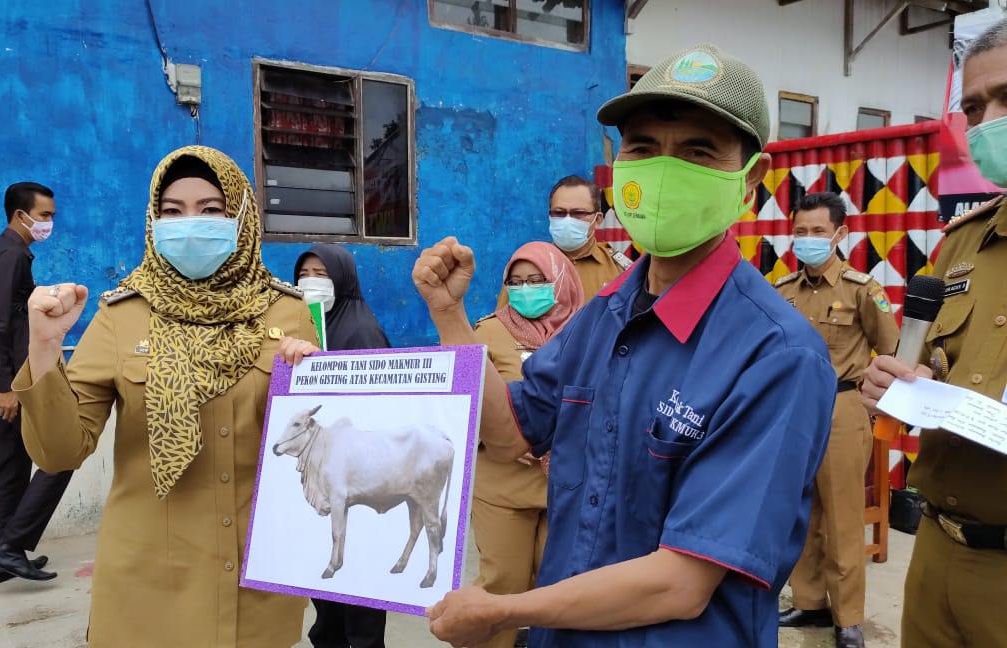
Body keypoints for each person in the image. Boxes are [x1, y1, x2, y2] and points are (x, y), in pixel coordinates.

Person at [412, 44, 838, 647]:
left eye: (698, 151)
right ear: (619, 163)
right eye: (643, 148)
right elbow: (510, 433)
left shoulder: (776, 356)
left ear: (750, 180)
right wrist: (451, 317)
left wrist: (502, 611)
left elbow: (681, 583)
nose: (665, 170)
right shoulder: (604, 316)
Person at [12, 146, 317, 647]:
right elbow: (58, 452)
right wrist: (45, 347)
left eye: (211, 210)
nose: (189, 224)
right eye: (171, 212)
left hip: (256, 575)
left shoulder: (287, 313)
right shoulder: (121, 315)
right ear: (153, 221)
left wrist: (310, 376)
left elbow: (312, 441)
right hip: (147, 582)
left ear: (241, 216)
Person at [862, 19, 1007, 648]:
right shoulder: (962, 244)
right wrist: (903, 384)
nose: (985, 123)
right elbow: (936, 364)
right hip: (936, 549)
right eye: (973, 108)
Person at [774, 192, 899, 648]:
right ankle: (809, 603)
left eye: (818, 232)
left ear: (840, 234)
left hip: (842, 407)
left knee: (844, 517)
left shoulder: (863, 289)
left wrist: (877, 404)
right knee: (800, 511)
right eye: (801, 232)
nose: (808, 240)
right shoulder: (782, 290)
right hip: (792, 410)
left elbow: (891, 351)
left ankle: (848, 618)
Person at [472, 242, 583, 648]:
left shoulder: (588, 331)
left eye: (536, 281)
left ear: (560, 281)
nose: (525, 289)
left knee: (559, 585)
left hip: (569, 481)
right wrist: (501, 433)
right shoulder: (487, 331)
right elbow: (466, 398)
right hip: (502, 481)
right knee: (503, 581)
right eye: (515, 283)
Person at [292, 243, 391, 648]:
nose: (311, 283)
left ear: (343, 279)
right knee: (327, 593)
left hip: (359, 482)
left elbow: (375, 414)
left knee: (361, 600)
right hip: (324, 477)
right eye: (305, 274)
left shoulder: (361, 331)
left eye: (322, 274)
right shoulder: (305, 330)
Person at [0, 181, 72, 584]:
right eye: (44, 215)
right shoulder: (10, 254)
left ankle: (1, 557)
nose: (49, 223)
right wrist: (5, 386)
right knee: (58, 455)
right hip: (10, 380)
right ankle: (10, 547)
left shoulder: (11, 252)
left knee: (13, 463)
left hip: (11, 375)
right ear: (21, 215)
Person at [496, 175, 629, 309]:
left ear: (598, 219)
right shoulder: (525, 267)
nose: (567, 220)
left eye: (578, 213)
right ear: (550, 216)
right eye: (559, 213)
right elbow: (502, 324)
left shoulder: (619, 269)